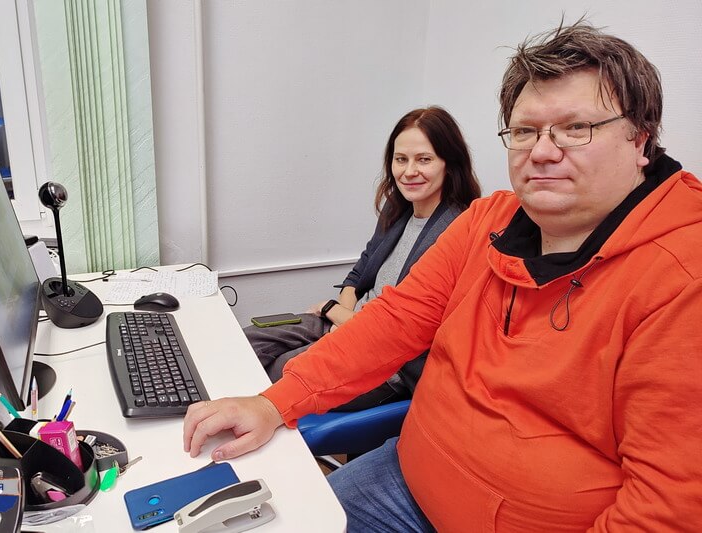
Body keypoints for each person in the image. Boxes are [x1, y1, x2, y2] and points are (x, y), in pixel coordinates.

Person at [184, 21, 702, 532]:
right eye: (524, 131)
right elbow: (393, 320)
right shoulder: (486, 221)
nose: (542, 151)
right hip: (407, 474)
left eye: (576, 128)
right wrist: (274, 404)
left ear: (641, 140)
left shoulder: (682, 279)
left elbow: (667, 507)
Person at [245, 106, 481, 411]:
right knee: (248, 342)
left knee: (282, 369)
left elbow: (405, 332)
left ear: (449, 164)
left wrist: (334, 312)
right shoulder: (397, 210)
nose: (409, 171)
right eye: (401, 159)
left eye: (424, 159)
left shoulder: (457, 230)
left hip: (385, 358)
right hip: (347, 321)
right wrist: (343, 315)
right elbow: (359, 273)